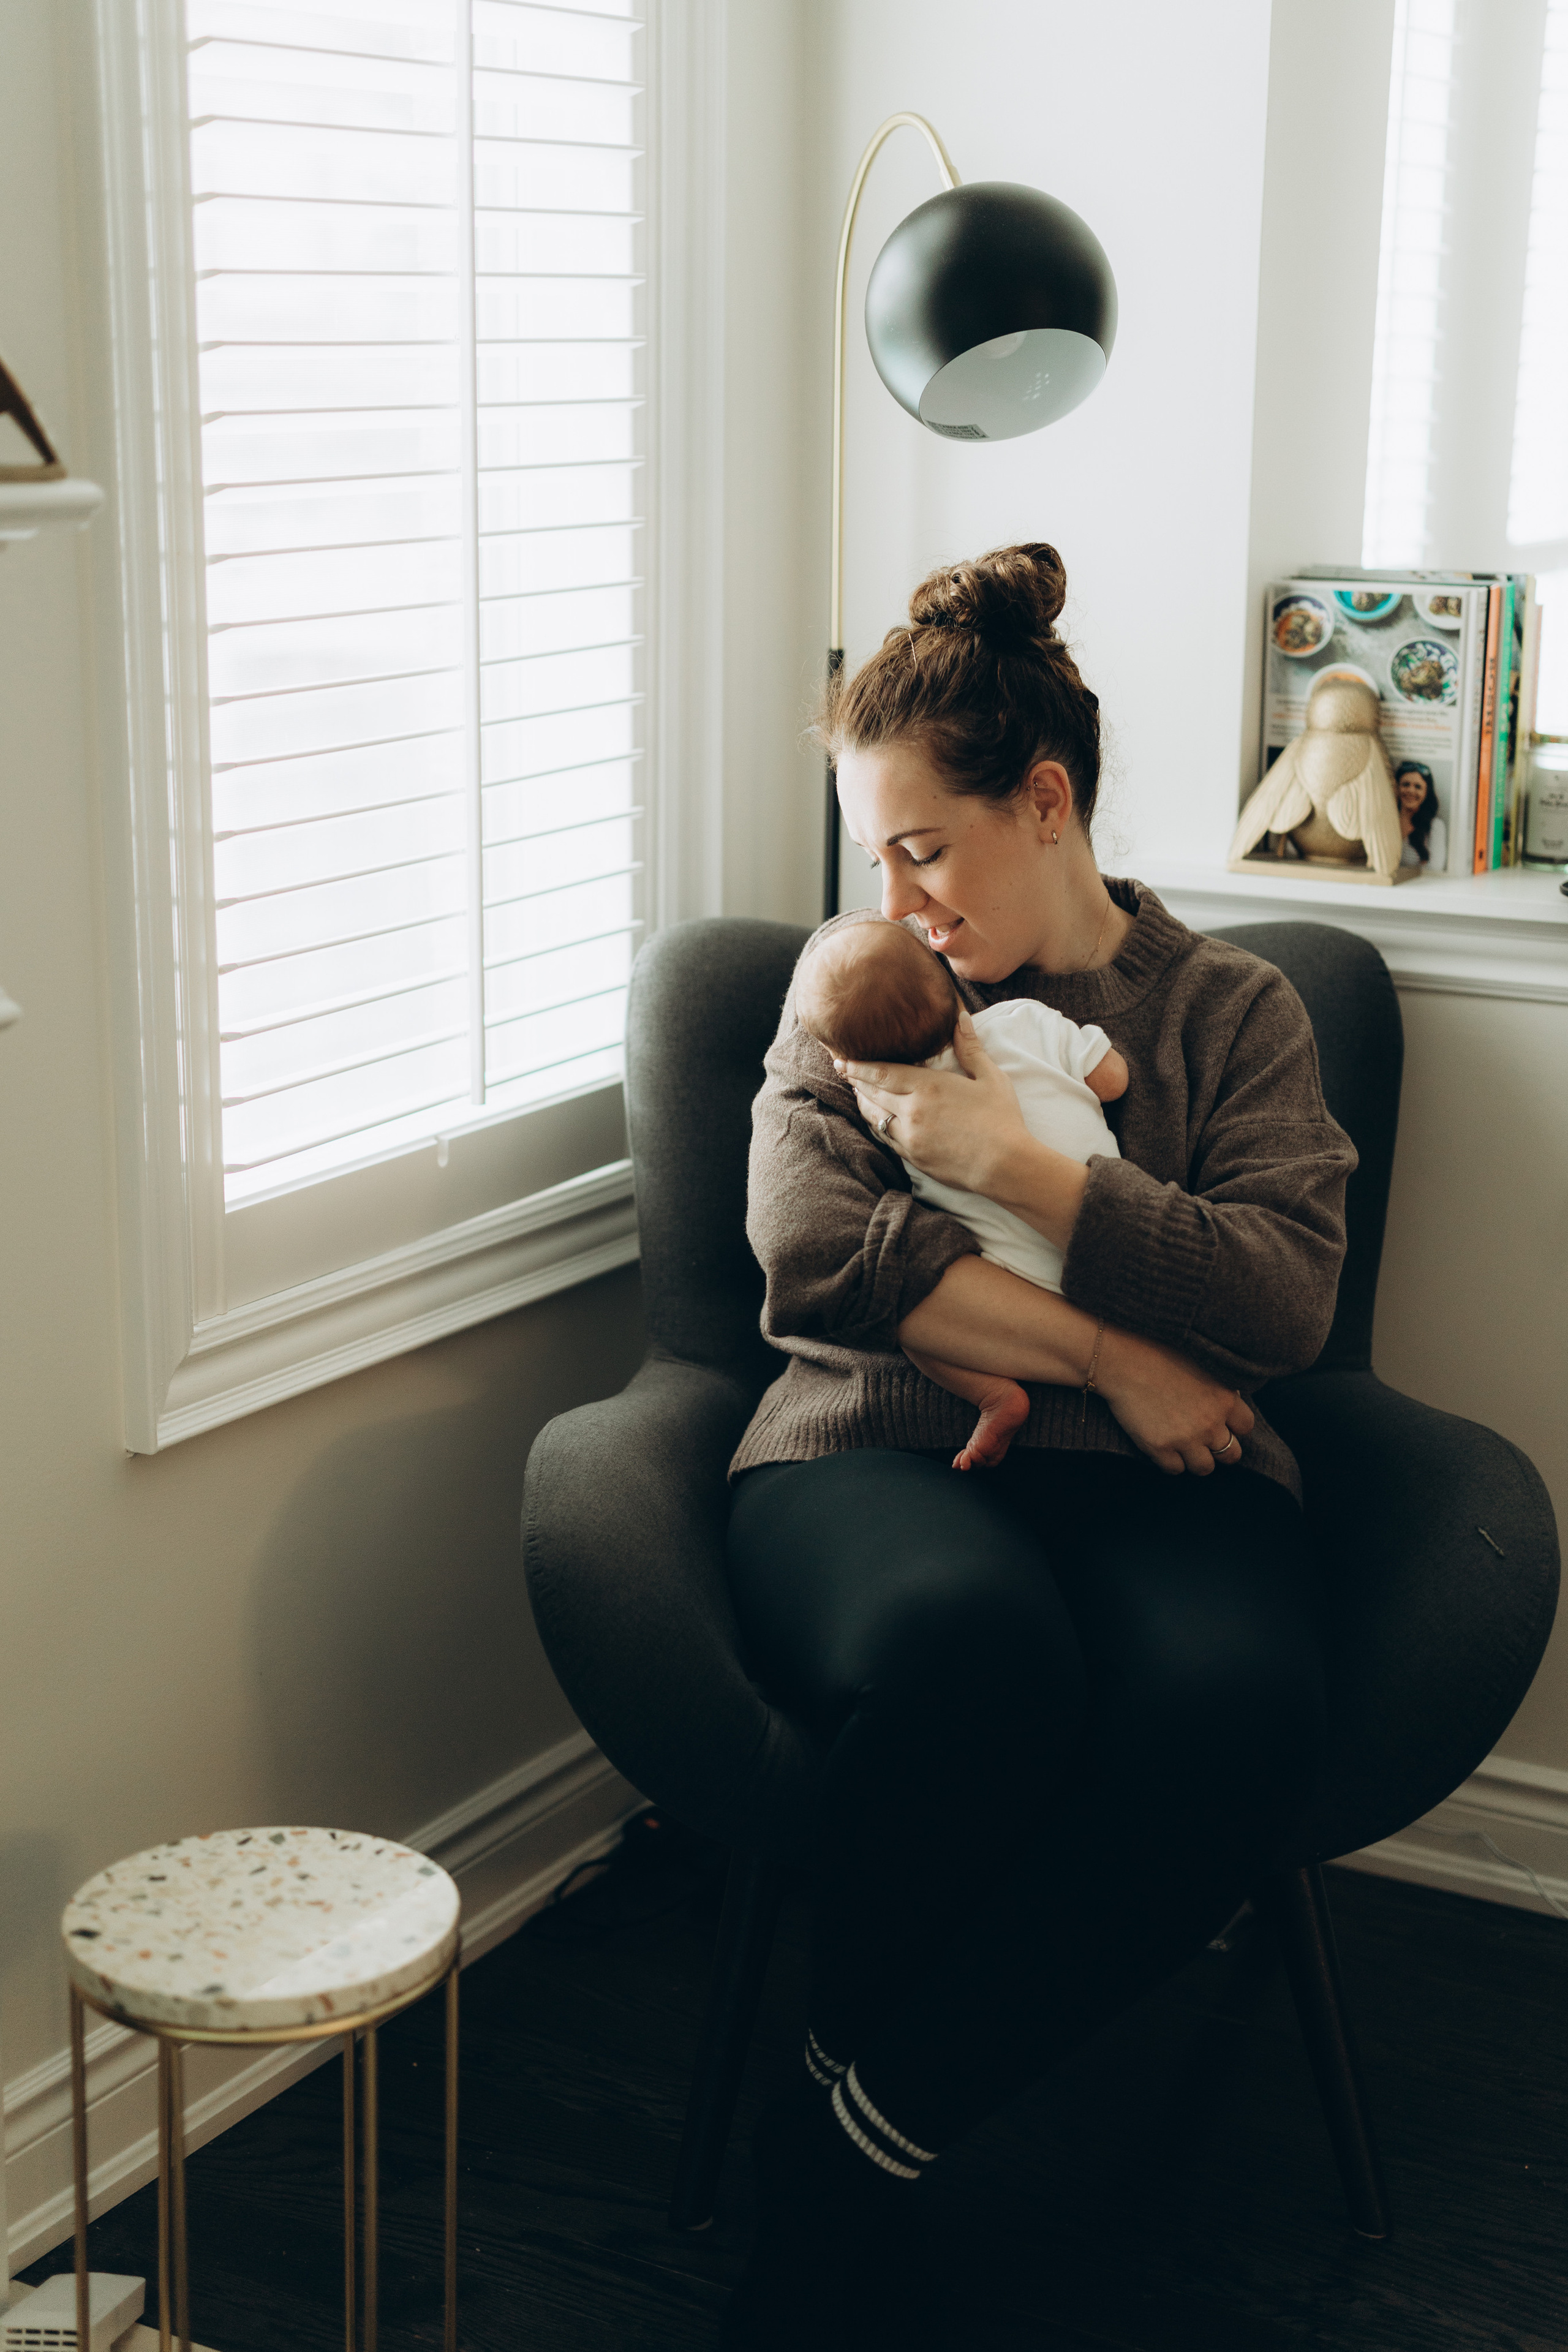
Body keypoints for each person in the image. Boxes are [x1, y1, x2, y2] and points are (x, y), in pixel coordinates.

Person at [720, 543, 1358, 2351]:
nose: (898, 897)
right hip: (872, 1456)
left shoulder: (1232, 1014)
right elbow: (814, 1254)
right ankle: (862, 2164)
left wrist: (1019, 1170)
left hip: (1174, 1491)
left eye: (923, 845)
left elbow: (1283, 1295)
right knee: (969, 1650)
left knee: (1238, 1706)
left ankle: (852, 2126)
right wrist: (1117, 1356)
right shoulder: (845, 986)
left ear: (1046, 800)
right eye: (876, 858)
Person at [793, 913, 1129, 1467]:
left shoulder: (892, 1118)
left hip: (1001, 1301)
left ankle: (993, 1393)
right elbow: (1113, 1079)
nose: (893, 900)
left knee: (906, 1311)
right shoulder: (1025, 1022)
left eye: (926, 853)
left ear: (846, 1063)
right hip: (1111, 1257)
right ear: (950, 991)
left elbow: (858, 1255)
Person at [1394, 757, 1446, 869]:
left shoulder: (1435, 827)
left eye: (1418, 787)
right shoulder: (1387, 821)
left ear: (1426, 793)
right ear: (1397, 788)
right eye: (1406, 784)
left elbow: (1435, 869)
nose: (1411, 791)